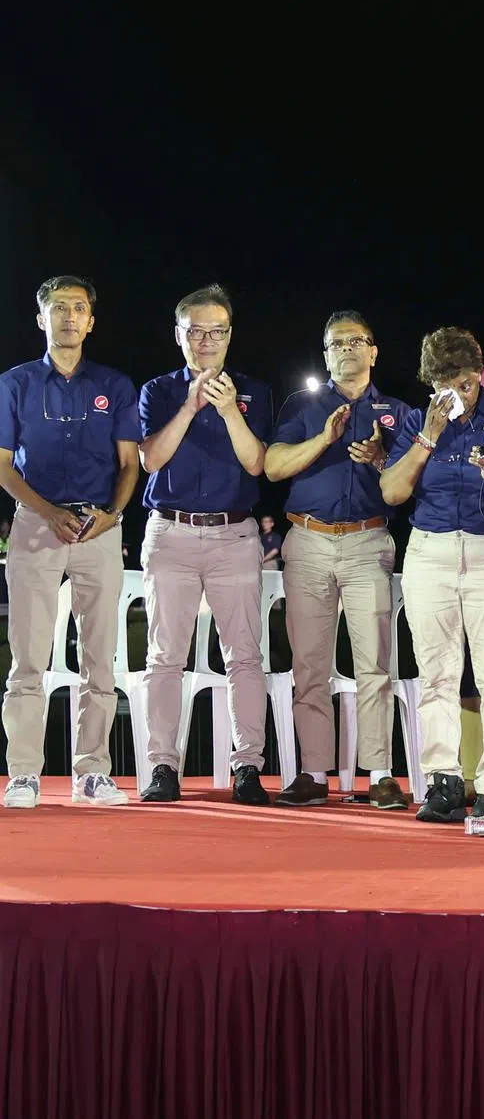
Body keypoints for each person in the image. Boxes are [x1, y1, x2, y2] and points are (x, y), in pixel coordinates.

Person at [381, 327, 484, 822]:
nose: (460, 396)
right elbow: (392, 493)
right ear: (431, 385)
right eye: (447, 387)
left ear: (478, 374)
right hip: (431, 551)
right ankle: (443, 782)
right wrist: (427, 436)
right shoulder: (414, 421)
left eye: (467, 384)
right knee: (437, 673)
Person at [0, 275, 140, 808]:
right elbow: (3, 467)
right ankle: (24, 774)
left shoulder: (115, 384)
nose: (68, 317)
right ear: (41, 319)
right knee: (28, 657)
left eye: (78, 308)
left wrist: (113, 514)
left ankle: (92, 771)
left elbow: (130, 464)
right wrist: (48, 512)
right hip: (37, 524)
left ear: (91, 321)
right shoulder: (14, 384)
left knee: (99, 657)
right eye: (58, 308)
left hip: (98, 527)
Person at [266, 311, 412, 809]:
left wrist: (380, 459)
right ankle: (312, 772)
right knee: (309, 665)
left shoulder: (397, 412)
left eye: (356, 341)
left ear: (374, 351)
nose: (346, 349)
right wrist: (323, 440)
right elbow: (271, 466)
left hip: (369, 540)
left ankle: (380, 774)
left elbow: (406, 488)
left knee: (374, 663)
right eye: (335, 343)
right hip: (307, 539)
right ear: (325, 354)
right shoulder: (303, 406)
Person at [136, 284, 273, 806]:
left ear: (230, 335)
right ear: (179, 335)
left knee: (244, 656)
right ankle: (163, 766)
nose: (206, 340)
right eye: (196, 331)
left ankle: (248, 768)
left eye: (216, 331)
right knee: (164, 656)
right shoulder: (157, 391)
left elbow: (257, 464)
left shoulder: (253, 392)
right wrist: (192, 408)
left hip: (234, 534)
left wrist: (230, 411)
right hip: (169, 532)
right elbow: (150, 460)